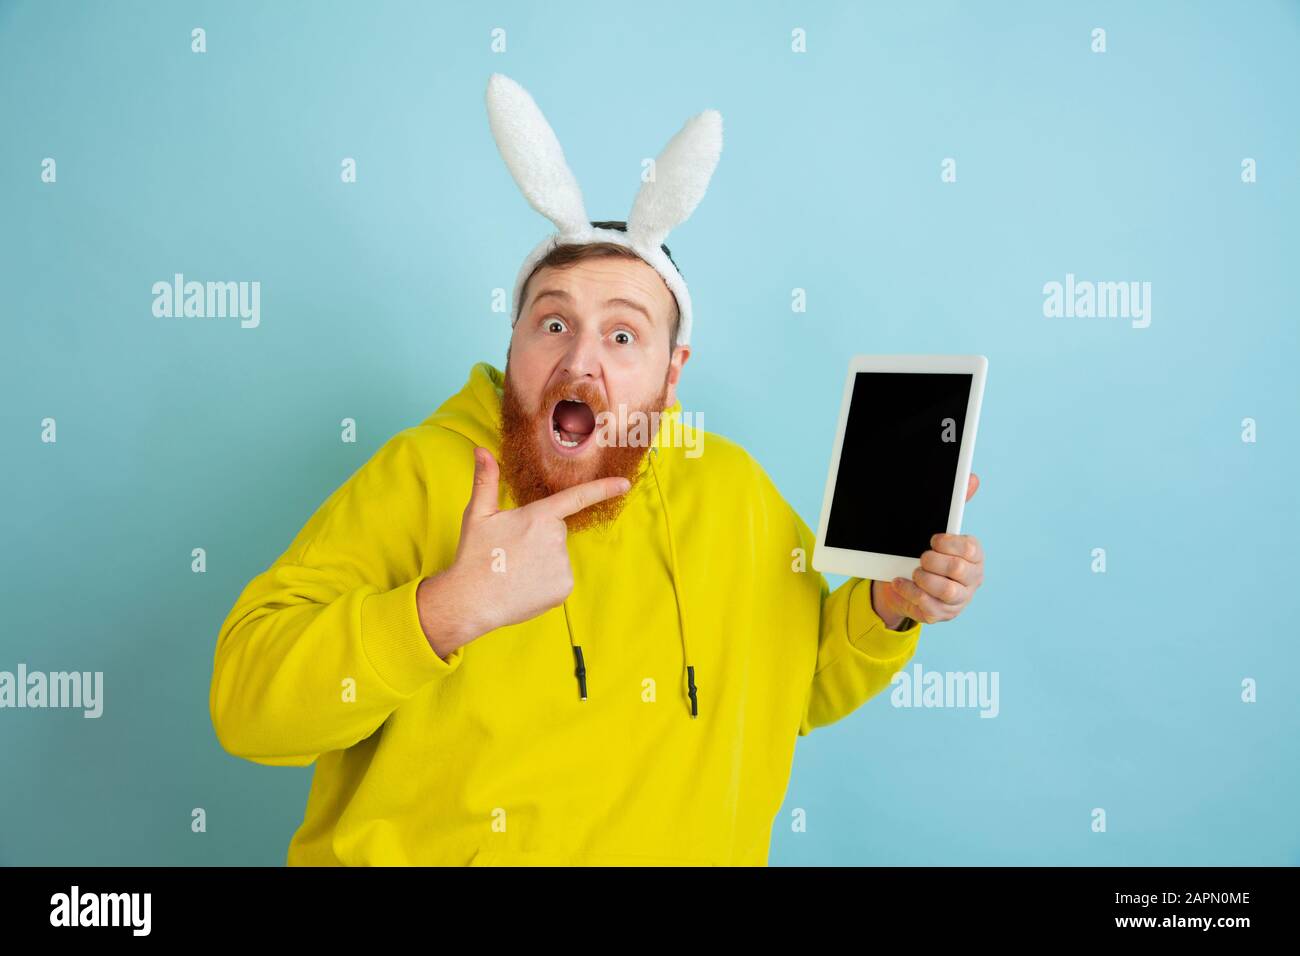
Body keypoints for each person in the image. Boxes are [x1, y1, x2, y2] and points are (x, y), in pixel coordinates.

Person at [208, 74, 985, 866]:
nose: (579, 362)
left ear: (672, 372)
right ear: (513, 344)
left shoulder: (734, 492)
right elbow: (248, 706)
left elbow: (788, 690)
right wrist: (441, 612)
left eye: (623, 336)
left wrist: (888, 607)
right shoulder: (425, 472)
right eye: (553, 322)